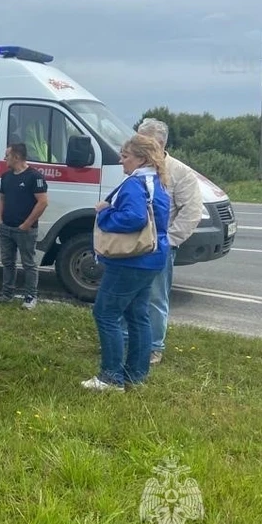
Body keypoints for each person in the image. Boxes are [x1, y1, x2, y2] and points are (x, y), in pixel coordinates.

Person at [82, 133, 170, 392]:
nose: (121, 161)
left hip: (130, 260)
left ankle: (111, 378)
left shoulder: (134, 184)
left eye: (125, 156)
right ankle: (136, 374)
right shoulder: (157, 181)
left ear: (141, 158)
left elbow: (134, 219)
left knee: (105, 313)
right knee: (137, 314)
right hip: (153, 256)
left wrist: (105, 213)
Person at [134, 118, 202, 365]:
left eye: (144, 142)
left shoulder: (180, 172)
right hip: (133, 246)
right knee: (131, 294)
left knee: (155, 296)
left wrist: (168, 241)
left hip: (159, 247)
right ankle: (133, 340)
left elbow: (191, 212)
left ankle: (153, 346)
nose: (137, 145)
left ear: (159, 143)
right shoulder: (137, 168)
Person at [0, 143, 48, 309]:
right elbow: (2, 199)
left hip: (25, 230)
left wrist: (27, 224)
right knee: (8, 263)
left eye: (7, 155)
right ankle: (7, 294)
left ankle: (30, 297)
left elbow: (43, 202)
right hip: (6, 227)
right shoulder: (6, 176)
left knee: (29, 264)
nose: (4, 158)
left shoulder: (34, 177)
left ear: (16, 156)